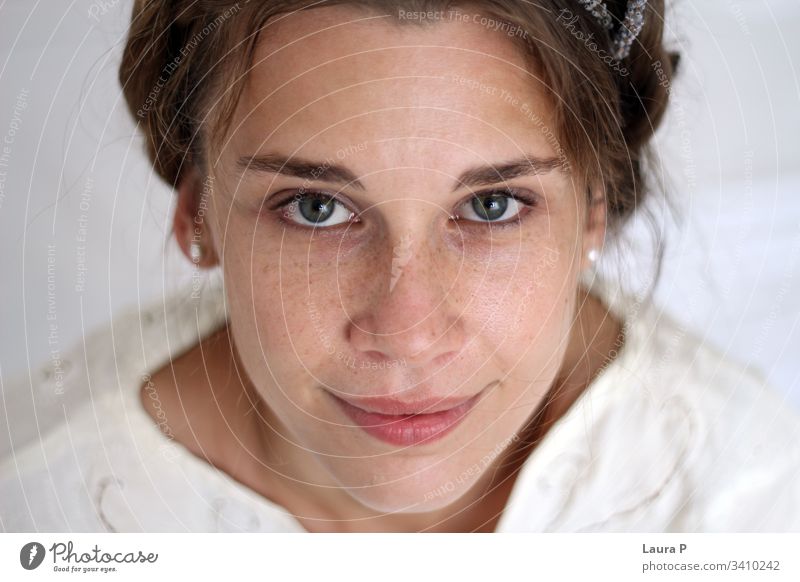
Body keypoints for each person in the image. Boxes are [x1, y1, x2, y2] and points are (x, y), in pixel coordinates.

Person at [1, 0, 798, 532]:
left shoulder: (744, 499)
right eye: (316, 207)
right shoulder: (43, 507)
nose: (409, 335)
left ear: (593, 210)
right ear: (197, 212)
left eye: (492, 205)